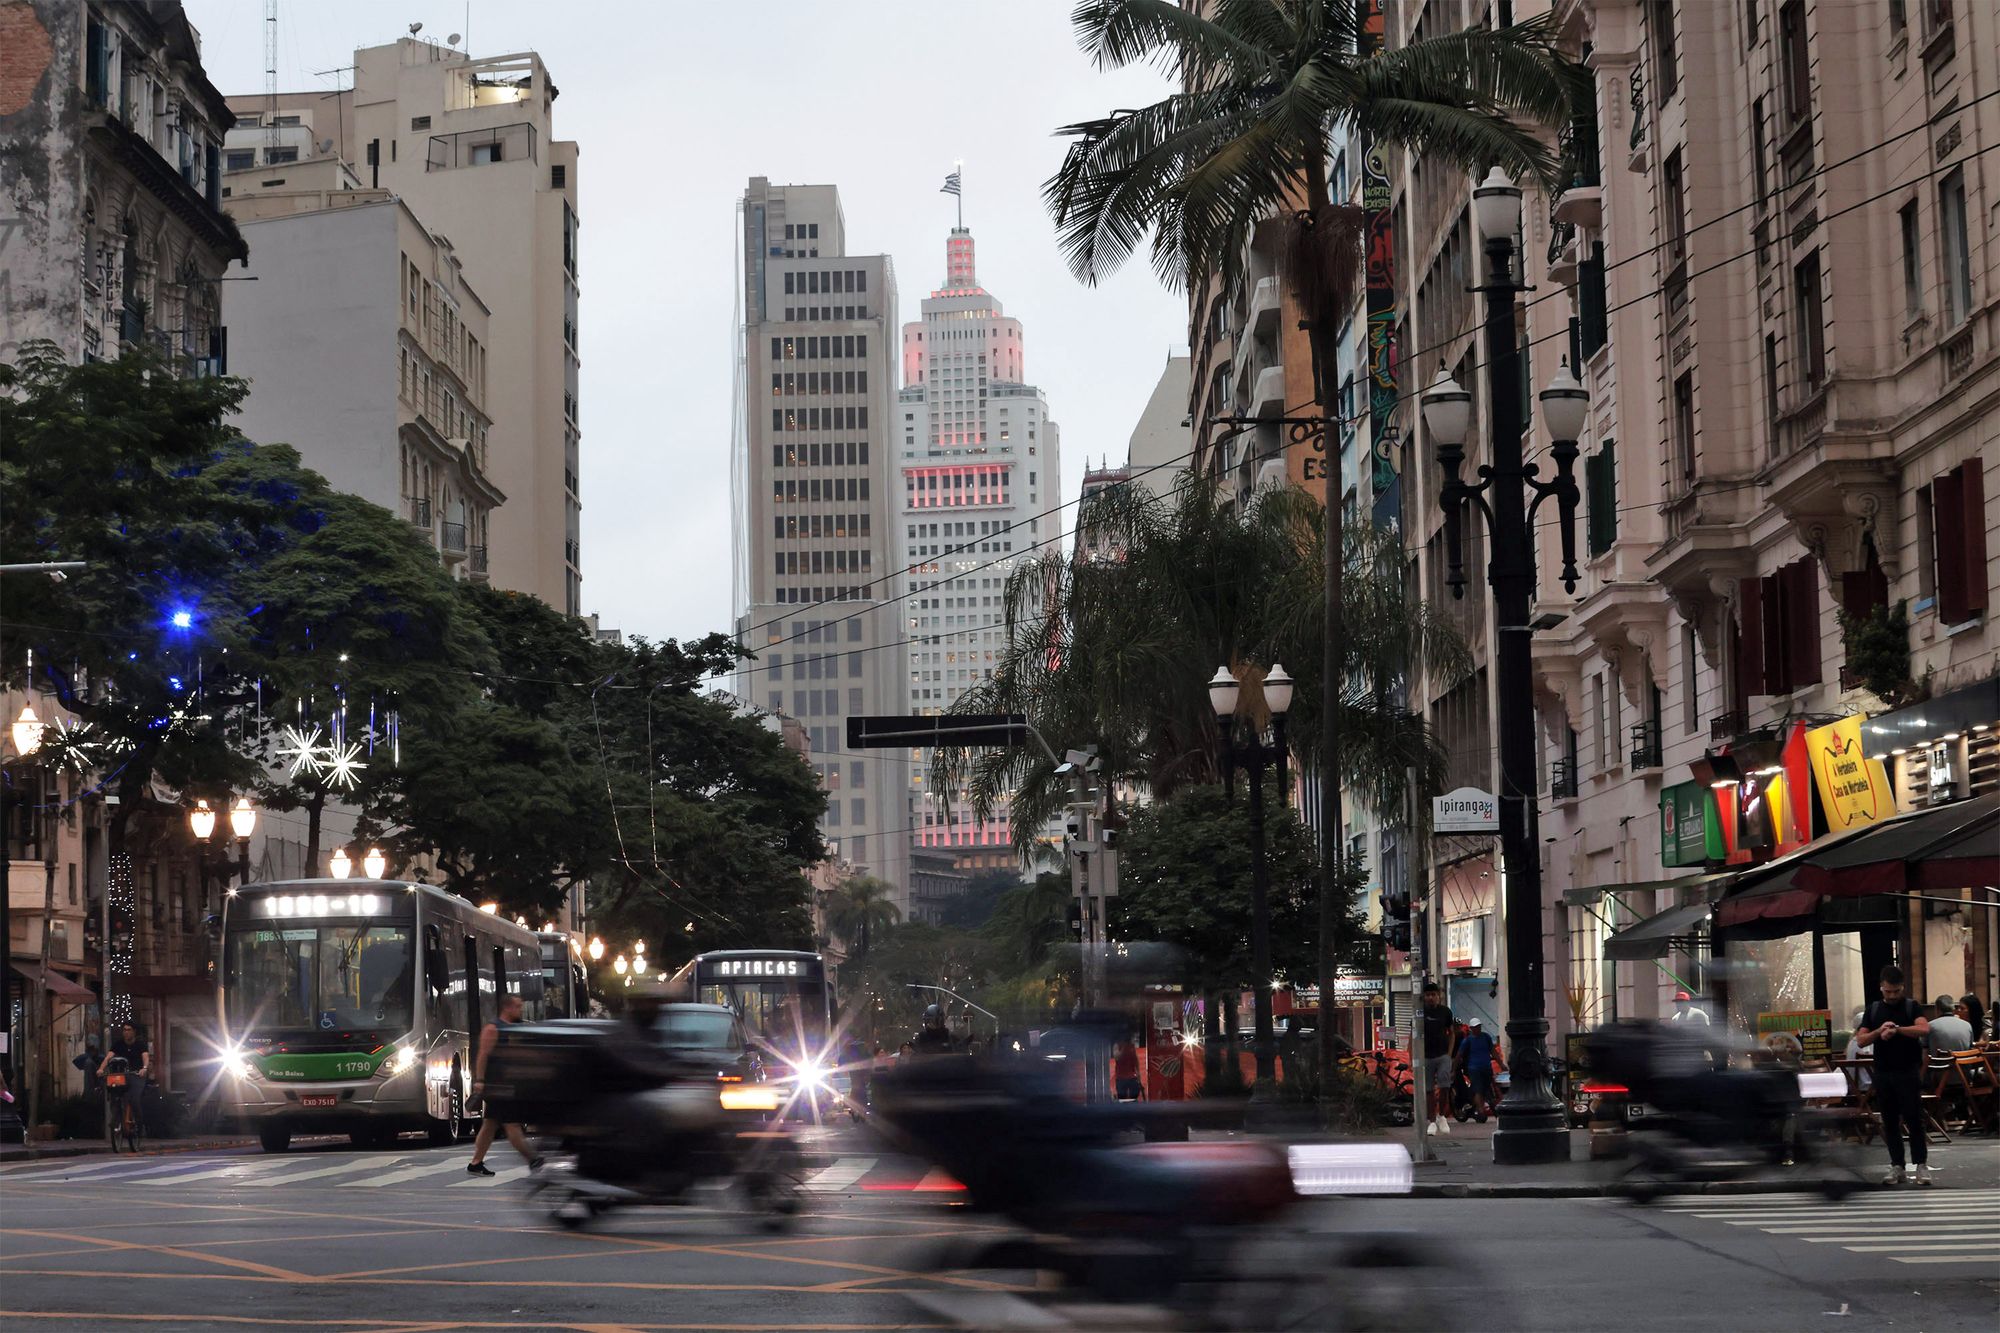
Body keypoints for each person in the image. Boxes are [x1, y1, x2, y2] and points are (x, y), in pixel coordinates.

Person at [1855, 965, 1932, 1187]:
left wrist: (1898, 1029)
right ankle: (1897, 1164)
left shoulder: (1911, 1007)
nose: (1892, 996)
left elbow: (1924, 1029)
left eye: (1896, 991)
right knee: (1889, 1121)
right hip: (1883, 1072)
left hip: (1907, 1070)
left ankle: (1920, 1164)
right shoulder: (1874, 1010)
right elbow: (1861, 1040)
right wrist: (1880, 1031)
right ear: (1881, 988)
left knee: (1914, 1118)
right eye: (1888, 991)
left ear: (1902, 988)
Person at [467, 993, 541, 1177]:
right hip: (497, 1085)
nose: (520, 1010)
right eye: (517, 1006)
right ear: (507, 1007)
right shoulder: (493, 1029)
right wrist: (480, 1081)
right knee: (511, 1124)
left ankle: (476, 1162)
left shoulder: (516, 1028)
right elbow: (483, 1055)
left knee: (490, 1124)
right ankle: (532, 1159)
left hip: (508, 1084)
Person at [98, 1022, 153, 1134]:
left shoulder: (140, 1044)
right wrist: (101, 1069)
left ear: (134, 1032)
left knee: (134, 1099)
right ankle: (116, 1119)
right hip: (122, 1076)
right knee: (114, 1093)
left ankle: (139, 1123)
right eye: (124, 1030)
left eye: (129, 1030)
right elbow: (108, 1057)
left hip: (136, 1075)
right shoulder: (118, 1044)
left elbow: (145, 1057)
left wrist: (144, 1068)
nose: (126, 1032)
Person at [1420, 982, 1456, 1135]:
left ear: (1438, 996)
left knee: (1444, 1085)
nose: (1431, 998)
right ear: (1424, 997)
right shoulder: (1419, 1013)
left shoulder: (1445, 1012)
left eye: (1433, 995)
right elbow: (1412, 1035)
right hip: (1426, 1057)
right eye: (1428, 995)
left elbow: (1452, 1033)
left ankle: (1441, 1116)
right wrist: (1411, 1057)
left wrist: (1449, 1053)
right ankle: (1432, 1121)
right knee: (1428, 1090)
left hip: (1443, 1056)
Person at [1457, 1018, 1498, 1122]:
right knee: (1478, 1090)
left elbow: (1493, 1051)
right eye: (1475, 1027)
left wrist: (1501, 1063)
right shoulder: (1468, 1041)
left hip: (1486, 1068)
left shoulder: (1486, 1037)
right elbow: (1459, 1055)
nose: (1477, 1029)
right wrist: (1453, 1068)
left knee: (1488, 1089)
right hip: (1474, 1069)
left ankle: (1490, 1107)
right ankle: (1480, 1111)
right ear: (1471, 1029)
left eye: (1479, 1027)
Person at [1112, 1037, 1143, 1102]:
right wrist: (1124, 1047)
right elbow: (1117, 1057)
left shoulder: (1131, 1046)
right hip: (1121, 1077)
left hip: (1131, 1077)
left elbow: (1135, 1060)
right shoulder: (1117, 1045)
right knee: (1122, 1098)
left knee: (1134, 1096)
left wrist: (1138, 1073)